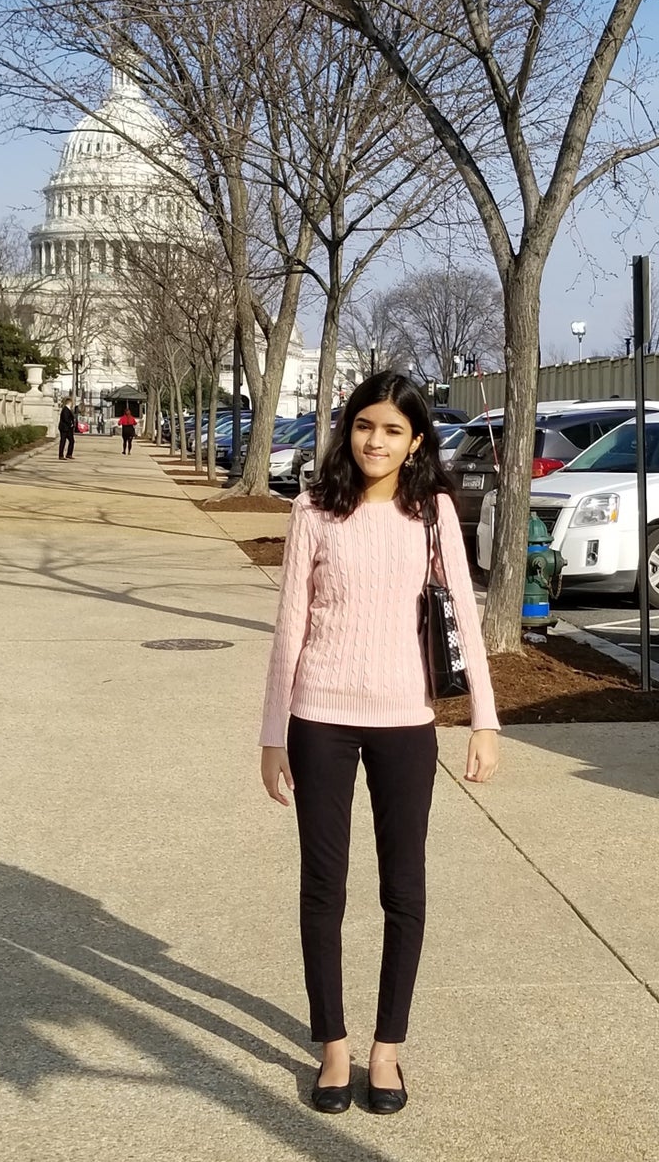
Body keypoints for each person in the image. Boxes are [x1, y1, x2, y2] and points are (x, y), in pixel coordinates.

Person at [260, 372, 500, 1116]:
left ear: (417, 441)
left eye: (393, 430)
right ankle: (333, 1046)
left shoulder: (430, 511)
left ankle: (387, 1048)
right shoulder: (312, 510)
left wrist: (484, 719)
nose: (376, 440)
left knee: (404, 887)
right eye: (365, 425)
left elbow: (462, 610)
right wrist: (273, 733)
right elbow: (290, 624)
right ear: (347, 429)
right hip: (318, 719)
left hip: (406, 721)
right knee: (323, 888)